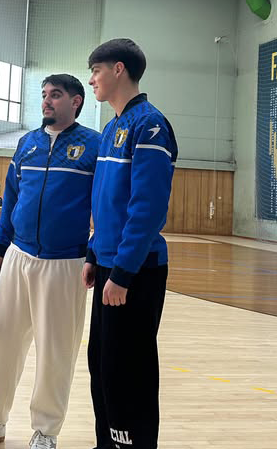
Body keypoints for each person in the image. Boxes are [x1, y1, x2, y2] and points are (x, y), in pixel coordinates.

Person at [0, 75, 100, 449]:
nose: (47, 102)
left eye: (56, 96)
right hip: (18, 255)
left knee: (55, 349)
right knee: (1, 339)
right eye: (44, 95)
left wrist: (95, 254)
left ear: (76, 101)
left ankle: (46, 431)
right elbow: (12, 198)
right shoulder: (27, 144)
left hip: (65, 263)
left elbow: (104, 206)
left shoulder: (93, 145)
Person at [84, 38, 178, 449]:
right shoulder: (110, 128)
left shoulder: (150, 125)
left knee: (129, 367)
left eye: (97, 71)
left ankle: (133, 445)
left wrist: (122, 271)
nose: (92, 80)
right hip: (108, 263)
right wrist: (94, 253)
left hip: (135, 270)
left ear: (118, 69)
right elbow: (105, 202)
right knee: (102, 364)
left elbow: (147, 208)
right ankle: (108, 443)